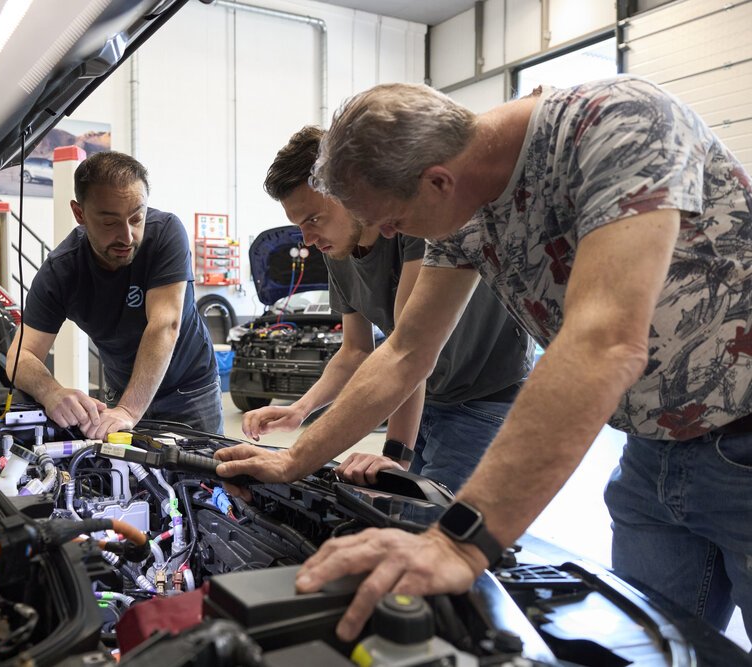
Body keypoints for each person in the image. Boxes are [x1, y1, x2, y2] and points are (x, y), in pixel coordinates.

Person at [216, 76, 752, 642]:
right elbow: (404, 350)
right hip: (651, 455)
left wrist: (458, 538)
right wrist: (292, 460)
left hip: (743, 440)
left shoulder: (618, 122)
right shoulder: (464, 205)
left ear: (437, 181)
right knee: (655, 650)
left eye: (393, 220)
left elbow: (604, 342)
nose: (392, 235)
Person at [246, 125, 531, 490]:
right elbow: (355, 351)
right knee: (405, 520)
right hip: (423, 400)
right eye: (299, 225)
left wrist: (395, 455)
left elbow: (407, 349)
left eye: (314, 219)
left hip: (483, 400)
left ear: (345, 190)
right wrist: (301, 409)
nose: (308, 239)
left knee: (437, 532)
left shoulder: (410, 225)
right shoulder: (338, 250)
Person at [7, 151, 223, 439]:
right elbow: (20, 356)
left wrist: (129, 411)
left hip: (188, 389)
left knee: (206, 481)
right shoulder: (63, 270)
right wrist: (52, 392)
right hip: (122, 392)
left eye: (136, 218)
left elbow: (164, 325)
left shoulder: (165, 234)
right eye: (110, 222)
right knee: (126, 479)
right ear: (79, 214)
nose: (127, 236)